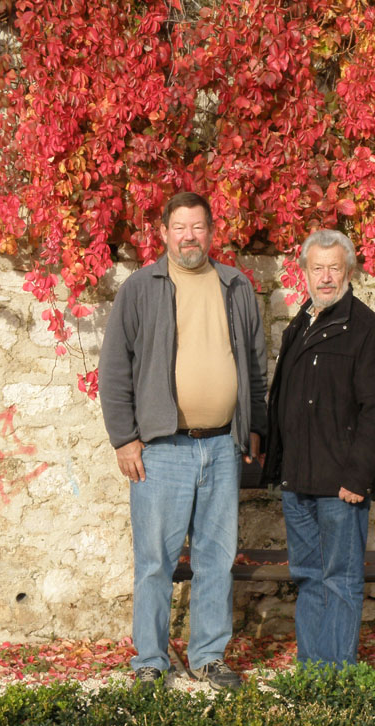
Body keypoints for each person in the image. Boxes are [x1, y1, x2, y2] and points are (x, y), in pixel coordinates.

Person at [98, 191, 266, 689]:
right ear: (164, 233)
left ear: (211, 232)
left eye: (197, 227)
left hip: (222, 446)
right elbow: (114, 368)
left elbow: (255, 365)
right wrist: (124, 439)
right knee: (155, 562)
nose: (189, 237)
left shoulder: (236, 286)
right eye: (179, 228)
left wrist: (255, 426)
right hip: (162, 449)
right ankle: (150, 660)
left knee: (216, 558)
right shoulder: (140, 288)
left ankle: (208, 656)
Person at [262, 228, 375, 667]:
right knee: (307, 578)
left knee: (339, 580)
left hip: (341, 486)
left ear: (349, 272)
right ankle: (311, 672)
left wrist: (357, 477)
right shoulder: (299, 326)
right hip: (298, 482)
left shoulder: (367, 331)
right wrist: (275, 462)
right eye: (317, 268)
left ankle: (336, 678)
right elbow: (284, 400)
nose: (325, 277)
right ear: (303, 271)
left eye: (333, 268)